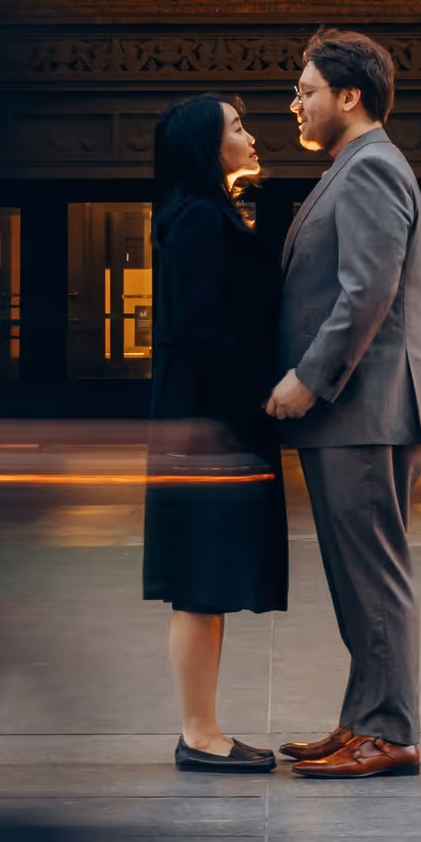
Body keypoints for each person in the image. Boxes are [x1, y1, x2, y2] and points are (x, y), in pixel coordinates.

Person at [266, 26, 421, 780]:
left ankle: (388, 731)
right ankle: (362, 721)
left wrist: (309, 375)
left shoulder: (371, 168)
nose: (295, 105)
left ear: (348, 95)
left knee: (372, 577)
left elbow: (366, 291)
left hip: (365, 410)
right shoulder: (356, 165)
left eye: (305, 91)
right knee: (357, 576)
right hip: (357, 413)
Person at [143, 94, 288, 773]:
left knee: (205, 583)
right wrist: (260, 401)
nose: (251, 135)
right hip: (212, 422)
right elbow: (204, 329)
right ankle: (199, 734)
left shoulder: (204, 213)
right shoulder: (201, 218)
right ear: (208, 146)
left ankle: (203, 728)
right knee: (200, 583)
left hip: (207, 416)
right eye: (237, 127)